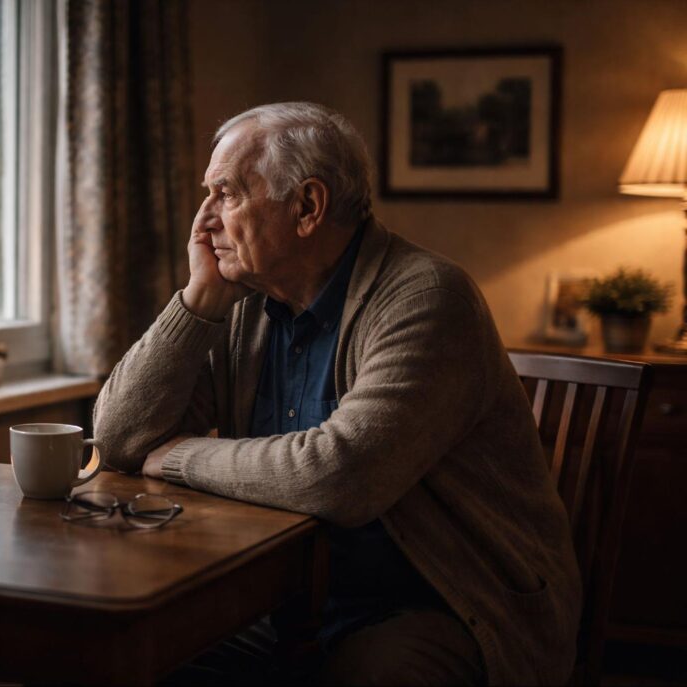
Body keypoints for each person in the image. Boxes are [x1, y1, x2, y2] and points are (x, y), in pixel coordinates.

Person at [93, 102, 580, 685]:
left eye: (226, 193)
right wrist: (198, 300)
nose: (204, 222)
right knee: (131, 658)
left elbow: (340, 476)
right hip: (285, 597)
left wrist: (178, 456)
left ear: (307, 207)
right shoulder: (243, 302)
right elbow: (120, 439)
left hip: (442, 604)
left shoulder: (427, 298)